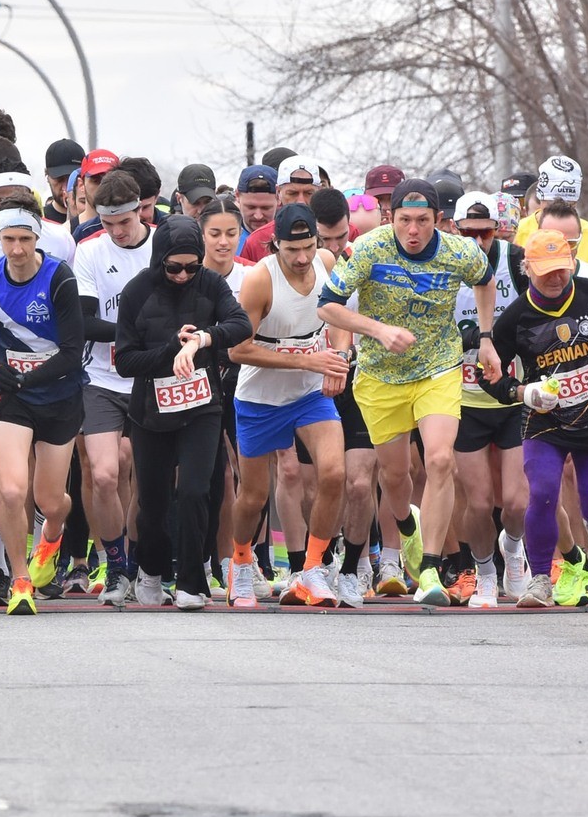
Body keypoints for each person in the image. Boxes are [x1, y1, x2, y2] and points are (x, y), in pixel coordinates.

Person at [317, 178, 491, 606]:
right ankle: (410, 531)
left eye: (424, 221)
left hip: (439, 368)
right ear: (390, 217)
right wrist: (377, 330)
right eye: (405, 221)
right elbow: (327, 304)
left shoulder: (459, 250)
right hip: (379, 376)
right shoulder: (371, 249)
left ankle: (430, 566)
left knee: (439, 459)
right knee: (396, 478)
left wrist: (486, 337)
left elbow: (485, 280)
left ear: (439, 220)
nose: (413, 231)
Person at [480, 229, 588, 605]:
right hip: (545, 422)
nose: (556, 278)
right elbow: (489, 374)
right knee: (541, 493)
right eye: (546, 271)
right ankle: (541, 578)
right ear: (528, 270)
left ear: (572, 263)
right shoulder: (517, 317)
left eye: (562, 269)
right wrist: (522, 392)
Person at [0, 193, 88, 614]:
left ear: (37, 237)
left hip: (59, 396)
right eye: (8, 239)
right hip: (11, 399)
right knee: (11, 491)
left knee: (51, 500)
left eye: (25, 239)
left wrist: (26, 376)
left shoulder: (58, 278)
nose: (16, 249)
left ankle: (52, 535)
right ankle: (20, 578)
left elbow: (71, 350)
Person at [112, 214, 252, 609]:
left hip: (201, 407)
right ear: (160, 261)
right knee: (153, 503)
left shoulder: (210, 283)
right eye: (174, 267)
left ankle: (192, 581)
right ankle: (152, 569)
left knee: (195, 490)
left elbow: (240, 324)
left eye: (192, 266)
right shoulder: (137, 291)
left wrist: (204, 339)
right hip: (150, 412)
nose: (183, 275)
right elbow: (125, 361)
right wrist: (172, 350)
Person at [226, 204, 351, 607]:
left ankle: (311, 570)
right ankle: (241, 561)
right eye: (291, 249)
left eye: (308, 247)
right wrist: (306, 359)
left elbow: (339, 320)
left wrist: (338, 358)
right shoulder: (260, 281)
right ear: (275, 244)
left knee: (334, 472)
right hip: (261, 397)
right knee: (253, 496)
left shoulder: (327, 260)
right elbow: (237, 350)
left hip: (310, 392)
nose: (301, 259)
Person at [73, 171, 156, 605]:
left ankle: (144, 562)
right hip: (103, 379)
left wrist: (144, 341)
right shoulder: (88, 252)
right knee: (104, 475)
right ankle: (116, 562)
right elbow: (86, 322)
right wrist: (137, 334)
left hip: (151, 377)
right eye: (108, 224)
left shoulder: (162, 244)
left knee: (147, 477)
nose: (117, 232)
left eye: (124, 222)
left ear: (141, 208)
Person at [451, 191, 530, 604]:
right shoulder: (443, 265)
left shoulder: (515, 261)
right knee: (479, 504)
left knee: (516, 503)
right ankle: (484, 575)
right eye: (469, 234)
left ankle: (513, 552)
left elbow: (538, 312)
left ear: (495, 230)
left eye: (484, 233)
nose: (477, 242)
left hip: (513, 400)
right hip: (465, 402)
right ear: (454, 229)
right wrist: (468, 338)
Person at [512, 155, 588, 278]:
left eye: (568, 207)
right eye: (551, 207)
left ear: (576, 202)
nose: (558, 214)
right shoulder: (517, 232)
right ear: (540, 198)